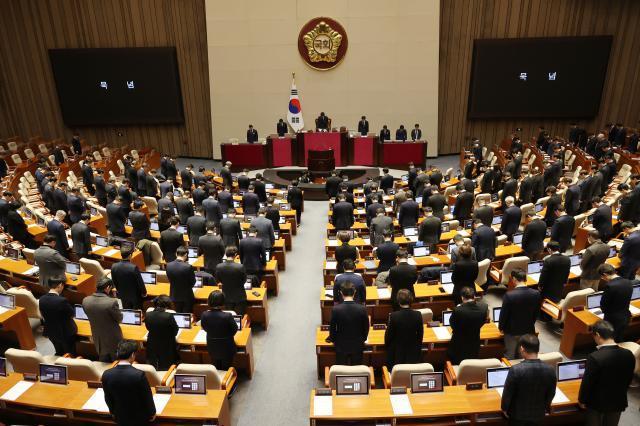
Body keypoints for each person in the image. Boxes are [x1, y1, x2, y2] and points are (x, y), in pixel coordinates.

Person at [578, 320, 636, 426]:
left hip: (596, 403)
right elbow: (629, 378)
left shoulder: (595, 357)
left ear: (598, 335)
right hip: (618, 400)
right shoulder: (629, 354)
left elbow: (588, 382)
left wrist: (582, 400)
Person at [501, 334, 557, 426]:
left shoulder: (515, 370)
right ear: (538, 349)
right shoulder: (550, 370)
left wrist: (504, 409)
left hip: (517, 416)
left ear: (522, 349)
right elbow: (551, 393)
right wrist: (545, 407)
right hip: (538, 414)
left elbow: (508, 393)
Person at [102, 340, 156, 426]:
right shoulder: (139, 375)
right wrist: (152, 413)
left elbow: (108, 397)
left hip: (120, 417)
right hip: (139, 419)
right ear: (132, 355)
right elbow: (147, 397)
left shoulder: (106, 374)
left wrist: (112, 412)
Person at [499, 269, 541, 359]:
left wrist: (501, 327)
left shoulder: (509, 295)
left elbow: (504, 315)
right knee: (523, 355)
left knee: (510, 355)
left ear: (514, 279)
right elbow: (536, 313)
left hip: (511, 331)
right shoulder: (536, 294)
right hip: (528, 329)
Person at [326, 282, 369, 365]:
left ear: (341, 293)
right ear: (355, 292)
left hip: (341, 345)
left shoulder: (336, 309)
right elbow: (366, 327)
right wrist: (363, 339)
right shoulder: (362, 309)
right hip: (358, 344)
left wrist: (333, 340)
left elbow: (332, 328)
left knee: (342, 370)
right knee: (356, 369)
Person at [82, 277, 123, 362]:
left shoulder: (85, 300)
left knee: (103, 358)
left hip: (97, 336)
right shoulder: (111, 302)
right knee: (116, 360)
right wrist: (114, 298)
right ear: (108, 288)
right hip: (113, 338)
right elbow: (119, 319)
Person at [447, 286, 488, 364]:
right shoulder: (484, 307)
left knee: (457, 363)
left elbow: (453, 325)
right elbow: (483, 321)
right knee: (471, 363)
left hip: (459, 343)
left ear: (462, 297)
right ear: (474, 296)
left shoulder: (458, 310)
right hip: (474, 341)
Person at [39, 277, 77, 355]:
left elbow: (42, 314)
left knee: (59, 351)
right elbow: (72, 314)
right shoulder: (62, 301)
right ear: (60, 285)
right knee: (69, 353)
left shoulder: (42, 299)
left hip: (50, 331)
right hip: (65, 332)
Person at [385, 289, 423, 367]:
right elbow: (420, 335)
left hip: (398, 352)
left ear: (398, 301)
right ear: (411, 300)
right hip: (413, 352)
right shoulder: (418, 315)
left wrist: (387, 347)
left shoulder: (394, 316)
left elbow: (389, 336)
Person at [200, 290, 238, 369]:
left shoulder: (204, 315)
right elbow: (234, 329)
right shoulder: (227, 316)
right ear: (223, 301)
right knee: (227, 368)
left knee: (215, 367)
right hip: (227, 347)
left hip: (212, 346)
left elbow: (204, 327)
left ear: (209, 301)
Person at [597, 264, 632, 342]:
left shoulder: (610, 286)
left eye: (602, 277)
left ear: (605, 274)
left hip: (612, 319)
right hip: (626, 316)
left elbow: (604, 305)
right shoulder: (628, 282)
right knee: (619, 338)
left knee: (609, 340)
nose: (603, 279)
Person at [143, 295, 179, 371]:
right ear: (166, 305)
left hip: (152, 342)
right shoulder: (168, 316)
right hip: (167, 343)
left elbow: (148, 327)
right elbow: (175, 330)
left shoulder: (148, 314)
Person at [110, 245, 147, 310]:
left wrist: (119, 291)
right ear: (130, 255)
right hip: (135, 295)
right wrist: (144, 292)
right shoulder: (133, 267)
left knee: (126, 309)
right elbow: (140, 282)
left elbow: (114, 281)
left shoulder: (114, 266)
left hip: (122, 294)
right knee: (136, 312)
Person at [215, 246, 248, 315]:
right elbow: (244, 280)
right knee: (239, 317)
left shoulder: (219, 266)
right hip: (240, 296)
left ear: (225, 254)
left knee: (229, 316)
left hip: (226, 296)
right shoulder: (240, 267)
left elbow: (218, 280)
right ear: (235, 255)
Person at [166, 246, 196, 313]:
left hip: (174, 295)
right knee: (186, 316)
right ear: (186, 254)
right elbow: (193, 282)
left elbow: (169, 279)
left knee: (177, 315)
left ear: (176, 254)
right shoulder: (188, 267)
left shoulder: (168, 265)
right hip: (187, 297)